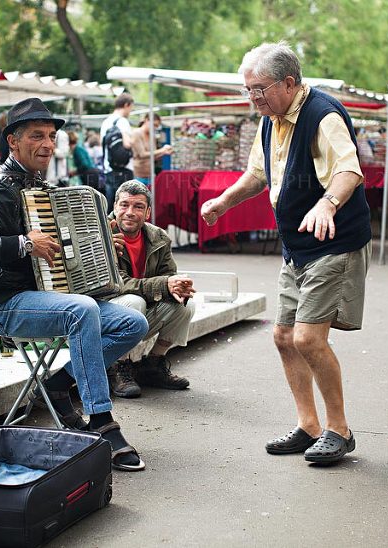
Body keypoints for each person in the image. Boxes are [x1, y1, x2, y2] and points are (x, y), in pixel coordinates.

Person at [0, 98, 149, 472]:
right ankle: (101, 421)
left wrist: (99, 240)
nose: (47, 144)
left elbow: (60, 245)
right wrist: (24, 243)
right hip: (2, 303)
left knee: (133, 323)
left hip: (42, 297)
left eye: (51, 136)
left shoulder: (40, 186)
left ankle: (58, 385)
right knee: (82, 310)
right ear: (13, 141)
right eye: (36, 136)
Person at [200, 41, 372, 464]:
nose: (252, 97)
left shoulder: (323, 114)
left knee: (308, 338)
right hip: (296, 246)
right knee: (283, 337)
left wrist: (327, 204)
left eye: (258, 89)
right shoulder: (270, 119)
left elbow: (349, 169)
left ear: (289, 83)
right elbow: (257, 174)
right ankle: (308, 425)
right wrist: (223, 202)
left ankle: (339, 430)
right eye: (247, 89)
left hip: (334, 243)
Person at [107, 180, 194, 398]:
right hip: (104, 315)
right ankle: (118, 367)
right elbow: (117, 285)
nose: (129, 212)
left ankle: (153, 366)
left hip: (139, 312)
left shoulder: (158, 237)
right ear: (115, 207)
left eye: (138, 206)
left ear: (147, 213)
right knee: (133, 302)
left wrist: (178, 286)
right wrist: (164, 285)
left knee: (185, 304)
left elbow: (168, 274)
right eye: (124, 205)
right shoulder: (102, 234)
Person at [100, 93, 134, 211]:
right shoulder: (123, 121)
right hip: (124, 171)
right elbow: (127, 143)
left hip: (108, 169)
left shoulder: (106, 122)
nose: (130, 112)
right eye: (131, 108)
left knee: (111, 207)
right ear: (126, 105)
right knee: (125, 207)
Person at [132, 114, 173, 186]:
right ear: (146, 120)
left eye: (157, 126)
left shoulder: (152, 136)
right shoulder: (136, 133)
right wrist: (162, 150)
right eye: (154, 125)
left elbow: (153, 156)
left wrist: (164, 152)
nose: (155, 128)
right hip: (138, 176)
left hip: (151, 176)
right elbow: (142, 154)